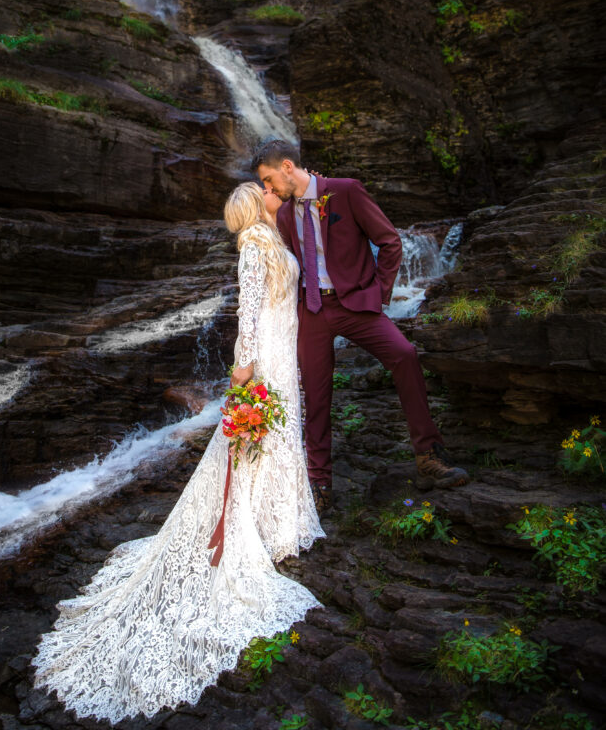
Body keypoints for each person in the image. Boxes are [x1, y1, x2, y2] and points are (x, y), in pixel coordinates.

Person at [30, 182, 324, 724]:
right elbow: (268, 311)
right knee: (275, 437)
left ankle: (257, 521)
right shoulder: (276, 246)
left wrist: (240, 371)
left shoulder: (257, 247)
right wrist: (257, 366)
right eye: (263, 193)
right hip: (281, 357)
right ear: (256, 209)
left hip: (268, 356)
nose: (270, 195)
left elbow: (250, 313)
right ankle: (278, 522)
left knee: (253, 438)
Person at [252, 138, 469, 515]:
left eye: (270, 180)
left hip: (355, 304)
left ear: (288, 167)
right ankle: (319, 486)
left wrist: (378, 293)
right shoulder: (286, 215)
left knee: (404, 354)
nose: (268, 189)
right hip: (313, 312)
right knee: (316, 397)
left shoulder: (347, 192)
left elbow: (389, 242)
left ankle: (429, 457)